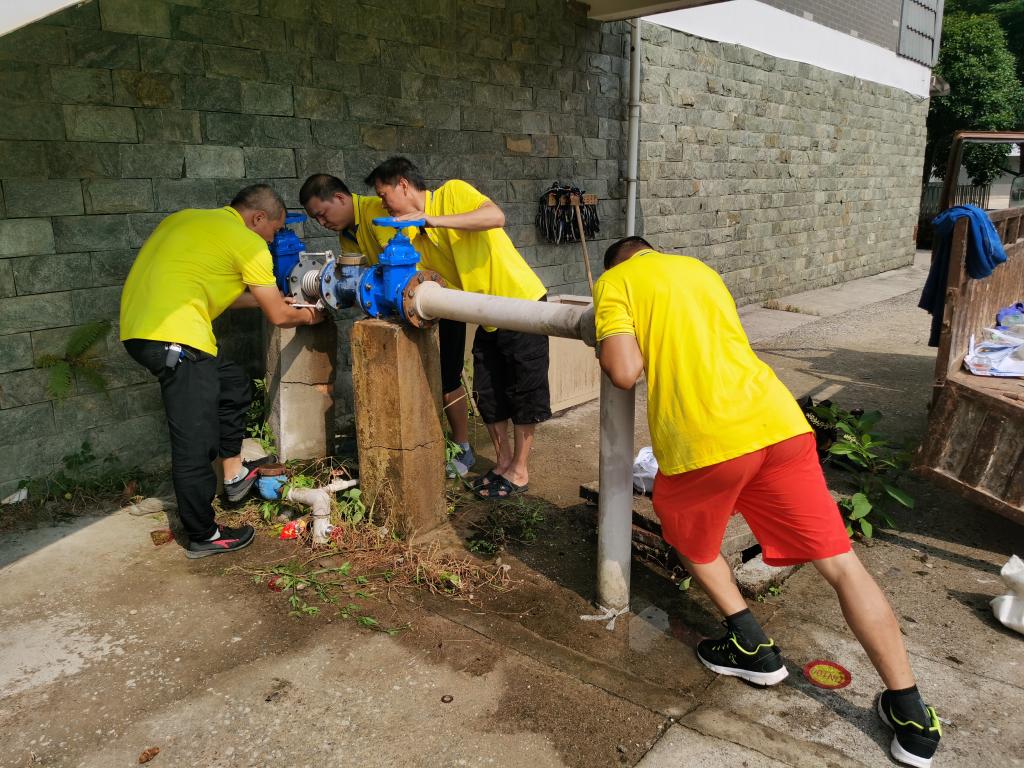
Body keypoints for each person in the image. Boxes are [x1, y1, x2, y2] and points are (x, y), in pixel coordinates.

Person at [594, 237, 943, 768]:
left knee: (692, 540)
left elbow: (624, 371)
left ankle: (752, 647)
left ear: (617, 263)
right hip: (779, 423)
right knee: (842, 564)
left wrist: (605, 337)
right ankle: (914, 717)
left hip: (707, 439)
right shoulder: (698, 269)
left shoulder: (615, 283)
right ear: (653, 251)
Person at [120, 184, 325, 559]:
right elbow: (279, 317)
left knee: (233, 384)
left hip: (143, 332)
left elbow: (225, 293)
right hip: (177, 343)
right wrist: (310, 313)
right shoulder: (248, 245)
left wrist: (278, 299)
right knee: (193, 446)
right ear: (258, 218)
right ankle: (204, 534)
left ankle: (233, 475)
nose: (274, 238)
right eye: (275, 230)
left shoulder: (187, 221)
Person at [364, 156, 549, 497]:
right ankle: (501, 463)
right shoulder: (413, 236)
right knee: (488, 391)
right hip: (486, 313)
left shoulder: (452, 193)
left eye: (384, 193)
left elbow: (496, 217)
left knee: (524, 391)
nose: (383, 203)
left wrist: (431, 220)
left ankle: (520, 471)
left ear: (403, 185)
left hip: (521, 303)